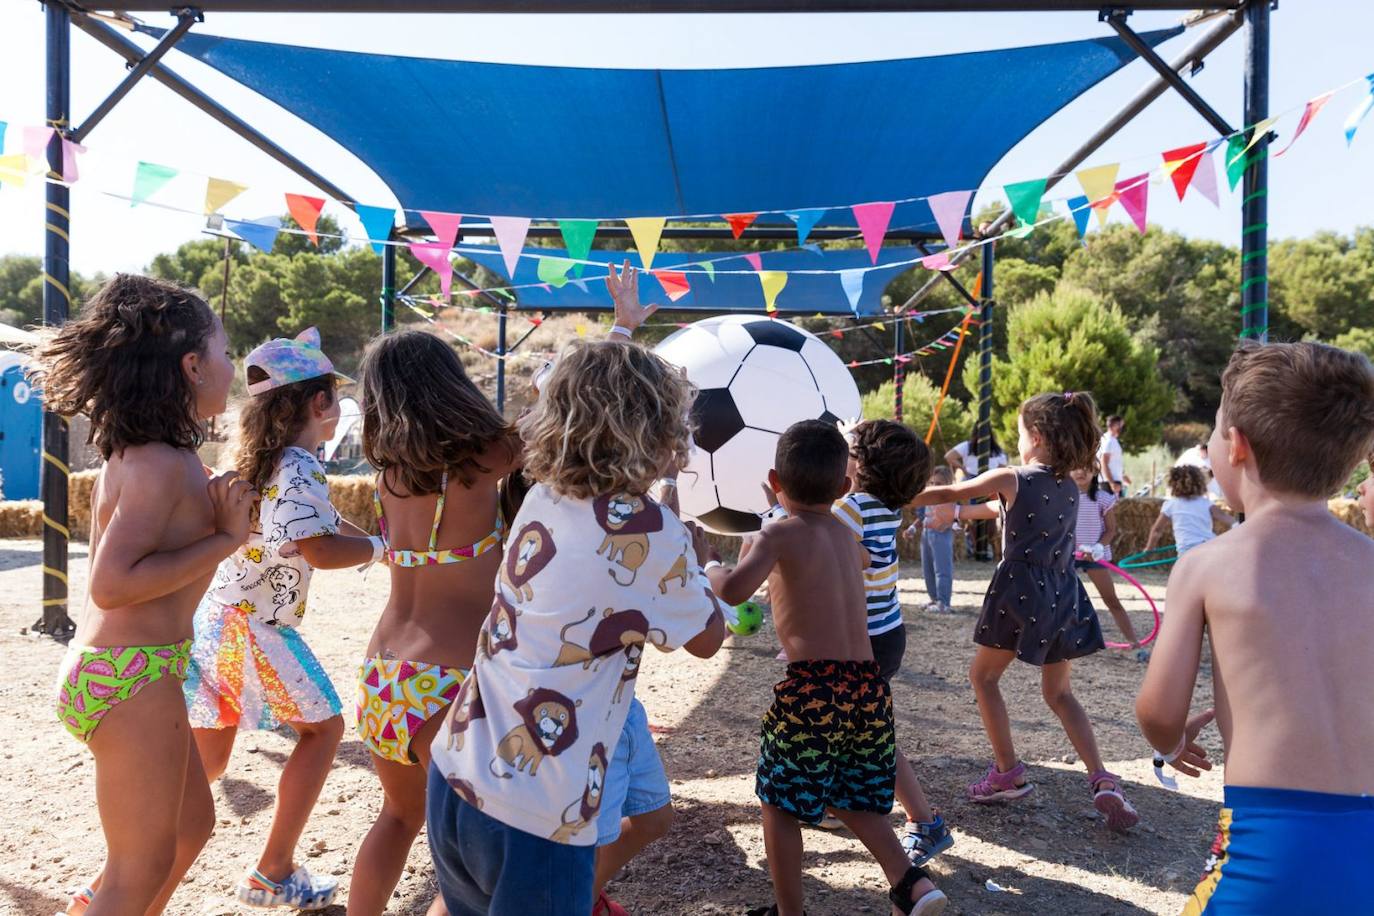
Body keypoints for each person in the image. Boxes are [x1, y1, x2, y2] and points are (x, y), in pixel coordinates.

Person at [426, 324, 726, 914]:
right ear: (657, 431)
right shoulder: (650, 531)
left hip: (457, 771)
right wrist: (704, 575)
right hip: (541, 812)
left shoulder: (542, 493)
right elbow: (706, 640)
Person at [39, 274, 255, 916]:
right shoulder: (163, 462)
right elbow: (113, 584)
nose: (231, 365)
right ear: (191, 366)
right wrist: (226, 539)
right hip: (130, 675)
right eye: (223, 351)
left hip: (128, 671)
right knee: (142, 866)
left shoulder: (150, 456)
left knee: (190, 829)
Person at [1136, 341, 1374, 913]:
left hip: (1271, 847)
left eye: (1217, 431)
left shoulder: (1207, 565)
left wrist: (1172, 742)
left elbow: (1159, 712)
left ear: (1236, 446)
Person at [707, 420, 947, 916]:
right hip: (867, 687)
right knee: (854, 796)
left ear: (775, 481)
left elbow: (732, 591)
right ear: (843, 486)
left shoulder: (776, 534)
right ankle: (913, 886)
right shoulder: (846, 535)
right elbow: (854, 560)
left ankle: (789, 913)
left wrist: (709, 565)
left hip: (814, 690)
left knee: (779, 803)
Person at [184, 328, 376, 910]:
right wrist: (384, 551)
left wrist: (370, 536)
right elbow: (317, 546)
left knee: (208, 761)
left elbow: (323, 522)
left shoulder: (259, 461)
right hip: (257, 627)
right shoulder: (300, 466)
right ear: (319, 404)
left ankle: (133, 856)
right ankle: (273, 869)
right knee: (325, 730)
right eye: (335, 399)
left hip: (217, 619)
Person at [347, 327, 521, 916]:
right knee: (473, 851)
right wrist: (622, 326)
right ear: (450, 384)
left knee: (397, 818)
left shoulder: (389, 478)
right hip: (449, 679)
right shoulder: (484, 460)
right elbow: (568, 424)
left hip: (384, 675)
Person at [912, 392, 1139, 832]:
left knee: (984, 678)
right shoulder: (1069, 488)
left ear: (1034, 438)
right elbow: (994, 510)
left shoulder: (1012, 477)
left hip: (1020, 592)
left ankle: (1007, 772)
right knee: (1059, 694)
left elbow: (952, 491)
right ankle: (1102, 777)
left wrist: (898, 494)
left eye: (1019, 433)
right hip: (1061, 593)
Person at [834, 421, 953, 868]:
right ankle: (839, 801)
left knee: (874, 735)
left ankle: (925, 822)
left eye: (846, 449)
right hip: (887, 634)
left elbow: (831, 550)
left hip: (861, 641)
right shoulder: (886, 507)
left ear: (861, 466)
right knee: (857, 728)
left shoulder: (850, 508)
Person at [1069, 467, 1145, 657]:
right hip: (1069, 555)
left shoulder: (1103, 498)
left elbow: (1111, 530)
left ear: (1094, 472)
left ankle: (1133, 643)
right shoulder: (1063, 497)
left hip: (1095, 555)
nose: (1080, 472)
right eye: (1076, 467)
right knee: (1064, 600)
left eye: (1086, 469)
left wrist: (1098, 547)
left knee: (1111, 599)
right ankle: (1061, 641)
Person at [1143, 465, 1235, 558]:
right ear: (1200, 483)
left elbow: (1157, 530)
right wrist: (1239, 523)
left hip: (1186, 550)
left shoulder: (1171, 504)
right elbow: (1225, 517)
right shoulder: (1206, 503)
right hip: (1207, 546)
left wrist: (1149, 548)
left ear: (1173, 484)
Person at [904, 466, 959, 615]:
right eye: (932, 483)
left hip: (941, 534)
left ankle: (944, 602)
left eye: (939, 483)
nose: (935, 486)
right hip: (926, 534)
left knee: (942, 569)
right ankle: (934, 598)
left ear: (948, 483)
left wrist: (951, 525)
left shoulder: (949, 499)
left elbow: (956, 518)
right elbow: (922, 517)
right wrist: (913, 528)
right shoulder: (927, 497)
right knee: (927, 569)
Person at [1097, 415, 1131, 496]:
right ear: (1114, 425)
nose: (1122, 428)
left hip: (1112, 482)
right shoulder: (1108, 440)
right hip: (1110, 483)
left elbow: (1113, 463)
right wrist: (1111, 483)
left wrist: (1122, 476)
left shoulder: (1111, 440)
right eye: (1120, 425)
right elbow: (1103, 462)